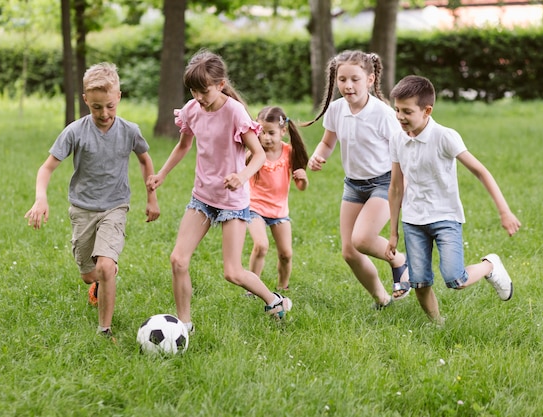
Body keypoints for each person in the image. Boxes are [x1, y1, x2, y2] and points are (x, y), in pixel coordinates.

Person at [146, 50, 292, 333]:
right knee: (178, 259)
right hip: (202, 196)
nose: (198, 97)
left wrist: (242, 176)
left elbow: (259, 154)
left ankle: (274, 300)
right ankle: (184, 324)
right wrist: (162, 174)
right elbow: (183, 146)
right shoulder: (191, 110)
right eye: (193, 90)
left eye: (204, 90)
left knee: (232, 272)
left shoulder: (235, 112)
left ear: (220, 84)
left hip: (232, 202)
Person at [24, 62, 160, 339]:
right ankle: (97, 281)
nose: (104, 113)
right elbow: (46, 168)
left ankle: (104, 329)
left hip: (115, 206)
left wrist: (151, 197)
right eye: (96, 107)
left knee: (105, 266)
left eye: (110, 106)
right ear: (86, 100)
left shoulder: (130, 130)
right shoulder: (75, 131)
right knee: (90, 274)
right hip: (82, 209)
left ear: (119, 96)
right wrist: (41, 199)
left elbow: (145, 160)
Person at [385, 75, 521, 324]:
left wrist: (505, 211)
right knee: (419, 282)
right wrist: (393, 231)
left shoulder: (444, 136)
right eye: (397, 110)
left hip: (445, 216)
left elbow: (481, 171)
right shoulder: (397, 139)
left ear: (427, 111)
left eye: (407, 111)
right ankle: (439, 326)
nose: (400, 117)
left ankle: (490, 265)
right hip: (413, 220)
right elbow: (395, 187)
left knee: (455, 279)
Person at [303, 50, 410, 309]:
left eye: (355, 79)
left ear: (370, 79)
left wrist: (401, 191)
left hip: (384, 182)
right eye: (342, 79)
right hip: (353, 185)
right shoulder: (337, 109)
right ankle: (382, 299)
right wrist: (317, 155)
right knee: (349, 252)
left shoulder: (383, 114)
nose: (348, 85)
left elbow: (405, 152)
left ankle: (400, 261)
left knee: (361, 239)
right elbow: (328, 141)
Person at [245, 106, 309, 293]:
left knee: (286, 254)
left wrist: (303, 179)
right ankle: (252, 288)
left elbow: (300, 187)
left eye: (271, 133)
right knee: (261, 245)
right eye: (262, 132)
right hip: (254, 207)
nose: (266, 137)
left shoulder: (289, 152)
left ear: (283, 131)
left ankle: (283, 286)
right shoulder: (254, 152)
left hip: (279, 211)